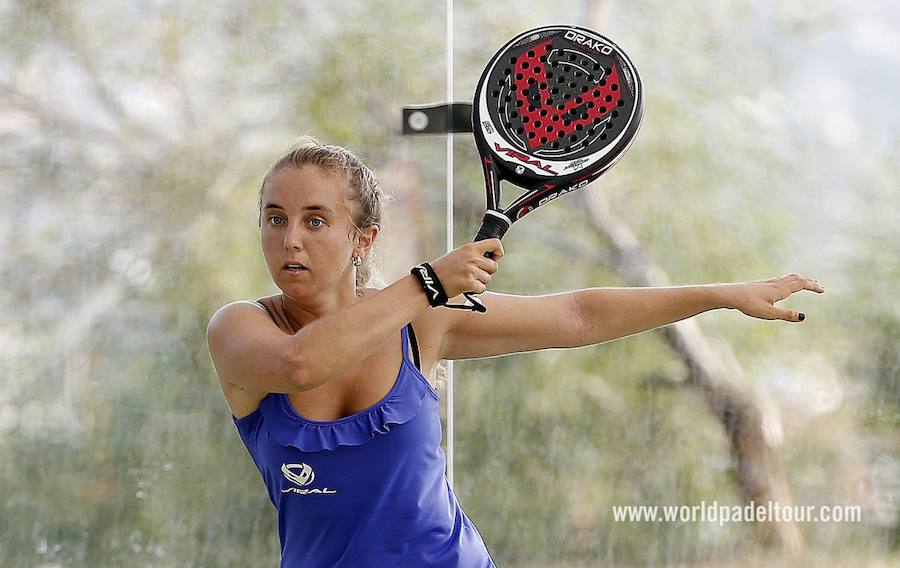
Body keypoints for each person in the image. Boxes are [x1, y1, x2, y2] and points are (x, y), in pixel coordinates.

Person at [205, 137, 825, 568]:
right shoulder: (240, 332)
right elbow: (300, 365)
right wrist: (427, 283)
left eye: (316, 220)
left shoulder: (425, 324)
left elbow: (576, 315)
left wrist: (721, 294)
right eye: (274, 218)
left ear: (361, 238)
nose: (290, 239)